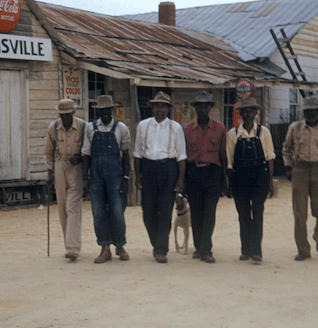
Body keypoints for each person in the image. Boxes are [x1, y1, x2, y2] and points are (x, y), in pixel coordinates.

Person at [282, 95, 318, 261]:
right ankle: (303, 250)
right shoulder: (295, 128)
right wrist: (287, 167)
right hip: (300, 169)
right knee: (299, 212)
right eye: (308, 110)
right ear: (304, 112)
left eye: (314, 110)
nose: (311, 113)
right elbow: (286, 149)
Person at [133, 91, 187, 263]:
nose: (159, 109)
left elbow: (181, 156)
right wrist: (138, 176)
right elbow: (137, 153)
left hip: (168, 169)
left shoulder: (176, 128)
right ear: (152, 108)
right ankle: (156, 244)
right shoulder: (143, 126)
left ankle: (161, 249)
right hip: (148, 169)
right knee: (148, 211)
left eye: (163, 106)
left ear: (168, 109)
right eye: (157, 105)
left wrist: (180, 180)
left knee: (165, 211)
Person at [82, 95, 131, 263]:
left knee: (117, 211)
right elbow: (86, 154)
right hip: (96, 176)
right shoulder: (90, 128)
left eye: (107, 109)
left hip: (116, 176)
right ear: (98, 111)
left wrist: (126, 178)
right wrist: (84, 178)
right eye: (101, 110)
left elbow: (126, 155)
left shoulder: (121, 128)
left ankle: (120, 245)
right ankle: (105, 248)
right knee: (98, 212)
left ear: (112, 110)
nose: (104, 112)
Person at [226, 97, 275, 263]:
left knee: (258, 213)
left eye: (251, 111)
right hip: (239, 177)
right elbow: (230, 161)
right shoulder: (232, 134)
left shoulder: (264, 132)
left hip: (259, 176)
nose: (248, 114)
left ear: (256, 113)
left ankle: (257, 251)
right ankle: (245, 250)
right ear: (240, 113)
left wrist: (270, 181)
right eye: (245, 111)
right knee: (243, 215)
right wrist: (230, 184)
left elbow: (269, 158)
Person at [183, 91, 227, 263]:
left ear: (210, 108)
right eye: (199, 106)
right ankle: (198, 247)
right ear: (195, 109)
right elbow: (184, 156)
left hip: (212, 173)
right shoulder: (186, 129)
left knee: (210, 212)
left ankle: (206, 250)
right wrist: (184, 181)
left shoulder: (220, 128)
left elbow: (223, 155)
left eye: (205, 106)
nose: (202, 109)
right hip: (193, 173)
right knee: (196, 212)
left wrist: (224, 181)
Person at [45, 99, 86, 261]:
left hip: (76, 169)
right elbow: (48, 152)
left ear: (73, 113)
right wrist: (49, 172)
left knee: (72, 207)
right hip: (59, 166)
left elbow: (88, 150)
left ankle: (73, 248)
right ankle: (68, 244)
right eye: (62, 115)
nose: (65, 118)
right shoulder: (53, 128)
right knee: (62, 207)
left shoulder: (83, 127)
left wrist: (81, 158)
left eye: (68, 114)